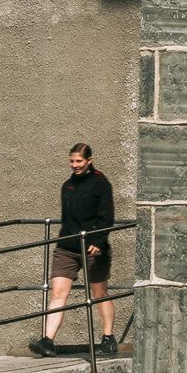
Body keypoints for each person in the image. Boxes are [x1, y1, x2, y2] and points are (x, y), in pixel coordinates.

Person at [50, 141, 120, 356]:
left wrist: (98, 242)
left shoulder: (100, 183)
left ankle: (108, 336)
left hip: (93, 247)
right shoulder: (67, 186)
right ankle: (47, 340)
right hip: (68, 246)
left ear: (89, 161)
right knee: (57, 293)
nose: (75, 165)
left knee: (99, 293)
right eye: (71, 161)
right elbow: (67, 219)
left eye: (79, 161)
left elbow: (107, 216)